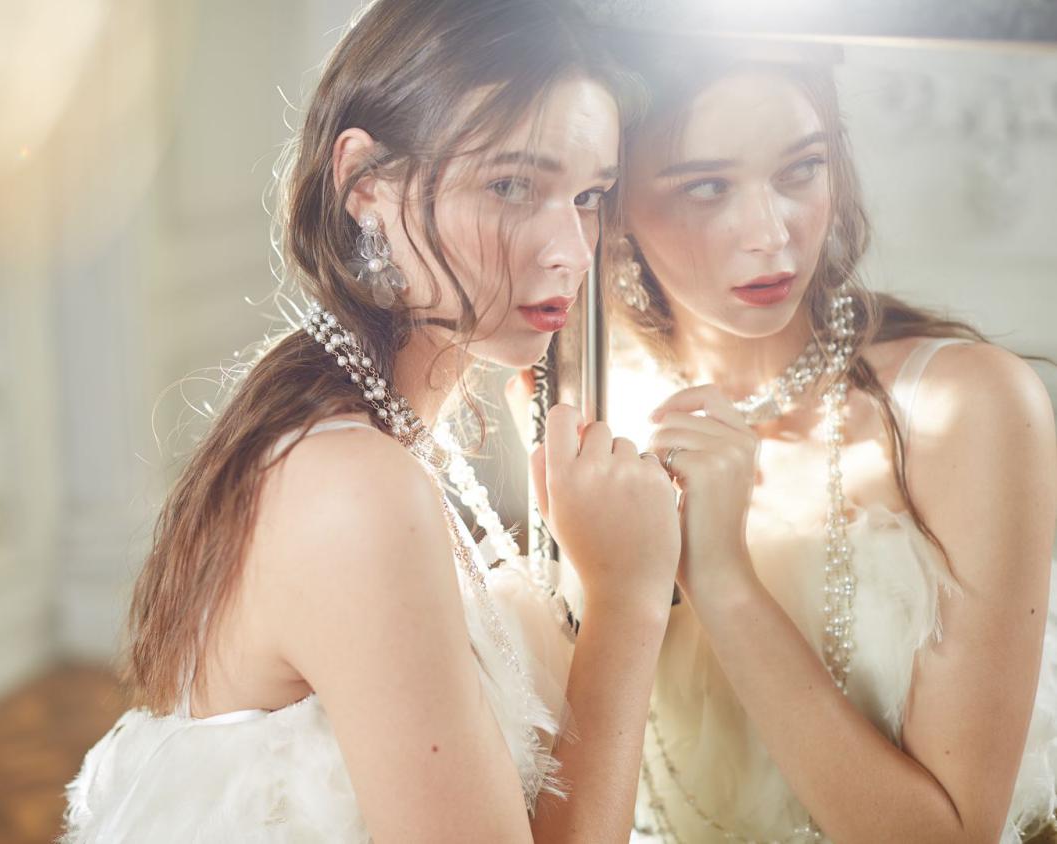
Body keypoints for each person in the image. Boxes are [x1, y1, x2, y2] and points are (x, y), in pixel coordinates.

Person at [60, 1, 683, 841]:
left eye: (588, 196)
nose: (570, 249)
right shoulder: (353, 484)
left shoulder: (360, 412)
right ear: (365, 188)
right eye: (510, 186)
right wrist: (629, 599)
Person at [599, 35, 1057, 843]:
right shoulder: (589, 399)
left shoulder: (964, 406)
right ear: (611, 203)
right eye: (706, 187)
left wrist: (721, 576)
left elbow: (952, 836)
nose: (770, 234)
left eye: (800, 169)